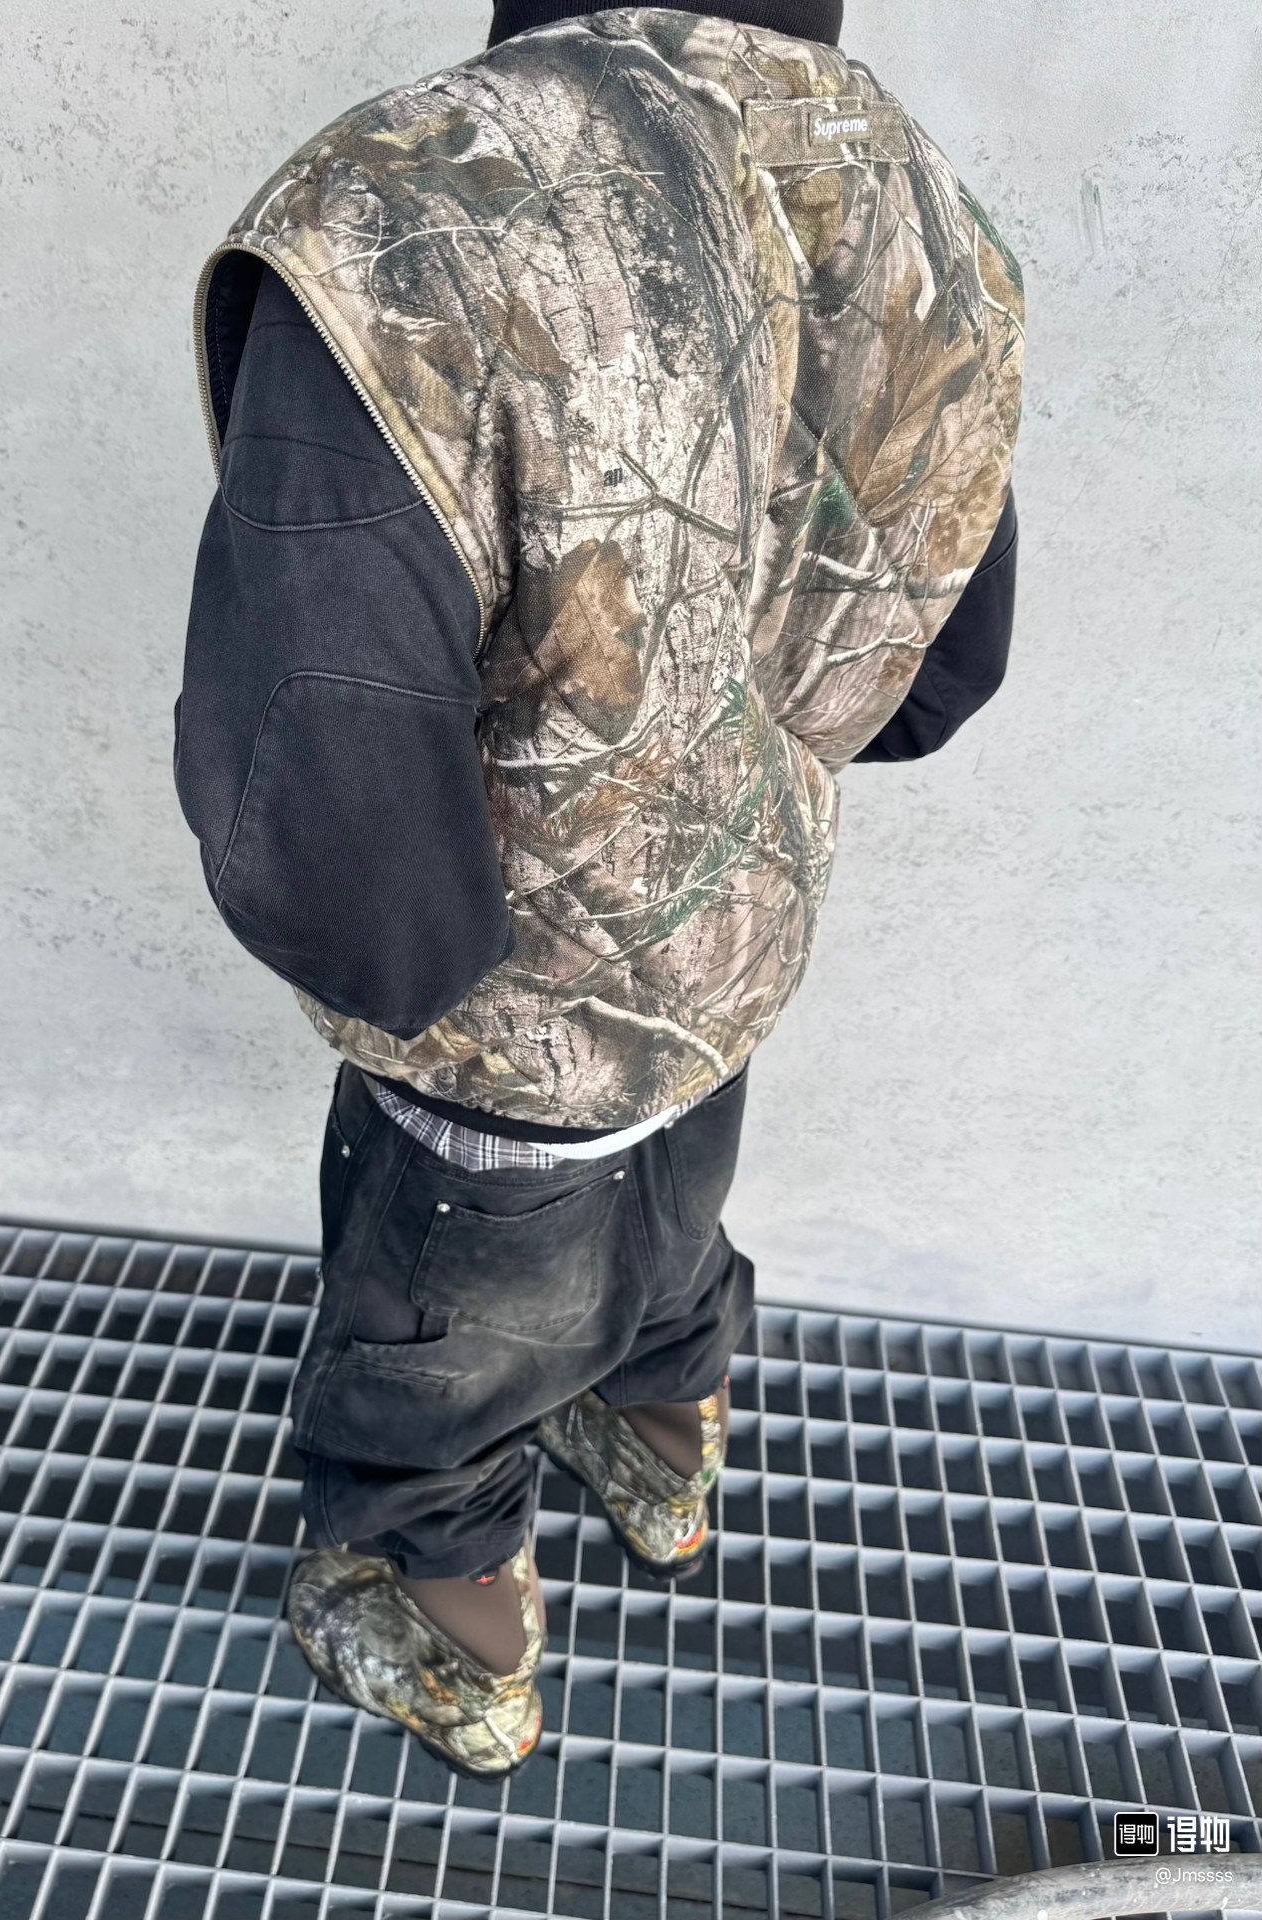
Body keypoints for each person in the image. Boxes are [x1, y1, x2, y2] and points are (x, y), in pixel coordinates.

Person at [173, 0, 1023, 1779]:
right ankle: (660, 1450)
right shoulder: (900, 188)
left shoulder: (415, 210)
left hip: (507, 1004)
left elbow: (323, 726)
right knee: (669, 1221)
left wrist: (413, 977)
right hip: (734, 923)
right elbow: (944, 656)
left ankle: (449, 1621)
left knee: (446, 1350)